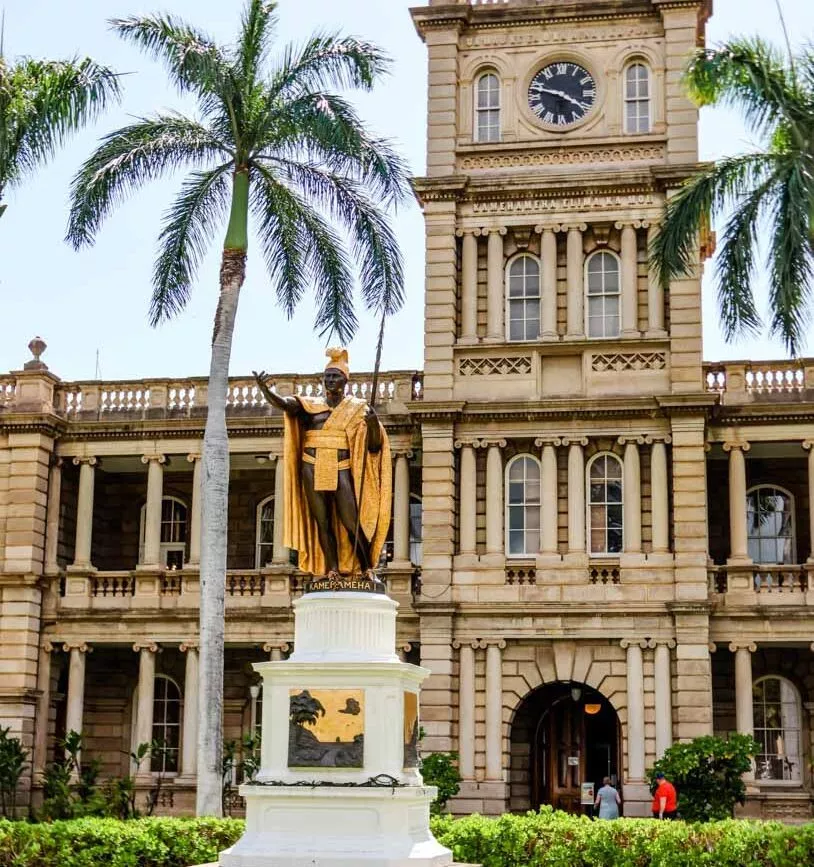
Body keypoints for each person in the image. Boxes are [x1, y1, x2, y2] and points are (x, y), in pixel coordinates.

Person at [253, 348, 391, 584]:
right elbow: (286, 405)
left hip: (341, 465)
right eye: (326, 376)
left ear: (345, 380)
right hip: (312, 465)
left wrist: (373, 424)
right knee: (323, 522)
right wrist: (267, 391)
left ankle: (366, 569)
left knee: (351, 522)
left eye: (335, 376)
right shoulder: (311, 406)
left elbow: (374, 447)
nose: (329, 380)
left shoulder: (358, 409)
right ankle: (332, 570)